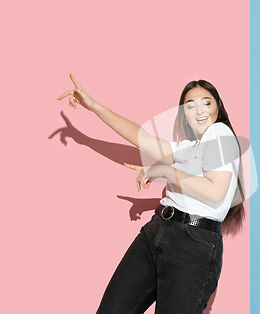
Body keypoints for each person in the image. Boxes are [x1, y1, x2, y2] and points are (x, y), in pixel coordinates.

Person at [57, 74, 244, 314]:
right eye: (190, 105)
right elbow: (139, 136)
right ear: (184, 115)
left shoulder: (220, 133)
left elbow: (215, 191)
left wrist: (165, 169)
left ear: (218, 108)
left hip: (193, 245)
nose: (199, 110)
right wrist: (93, 107)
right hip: (155, 232)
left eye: (206, 102)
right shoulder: (186, 149)